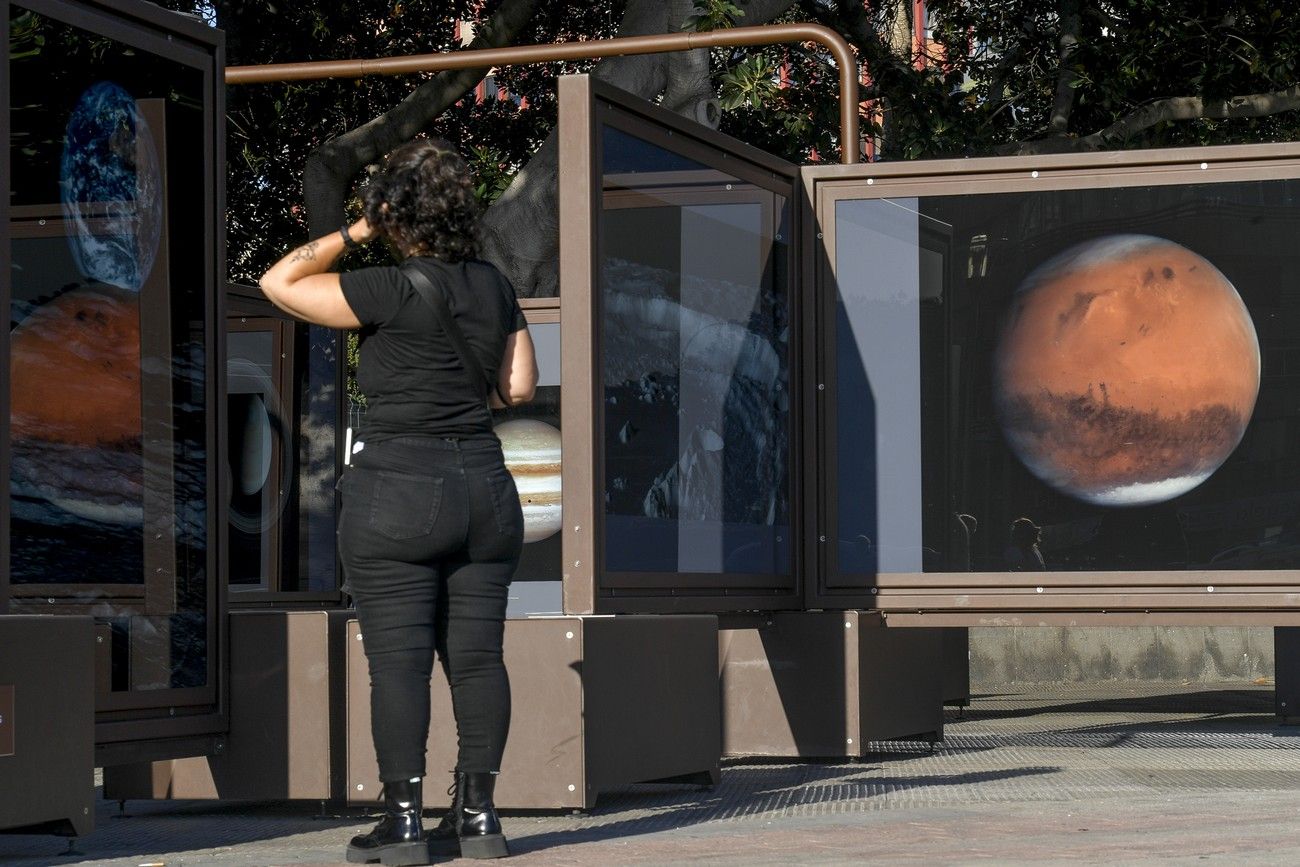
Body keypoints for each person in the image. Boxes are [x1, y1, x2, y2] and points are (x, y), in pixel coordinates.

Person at [260, 138, 537, 865]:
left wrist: (357, 231)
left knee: (400, 665)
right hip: (485, 486)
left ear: (394, 211)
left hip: (399, 490)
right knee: (478, 660)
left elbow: (280, 282)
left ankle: (404, 822)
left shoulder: (385, 287)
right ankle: (478, 817)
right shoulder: (493, 286)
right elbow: (520, 388)